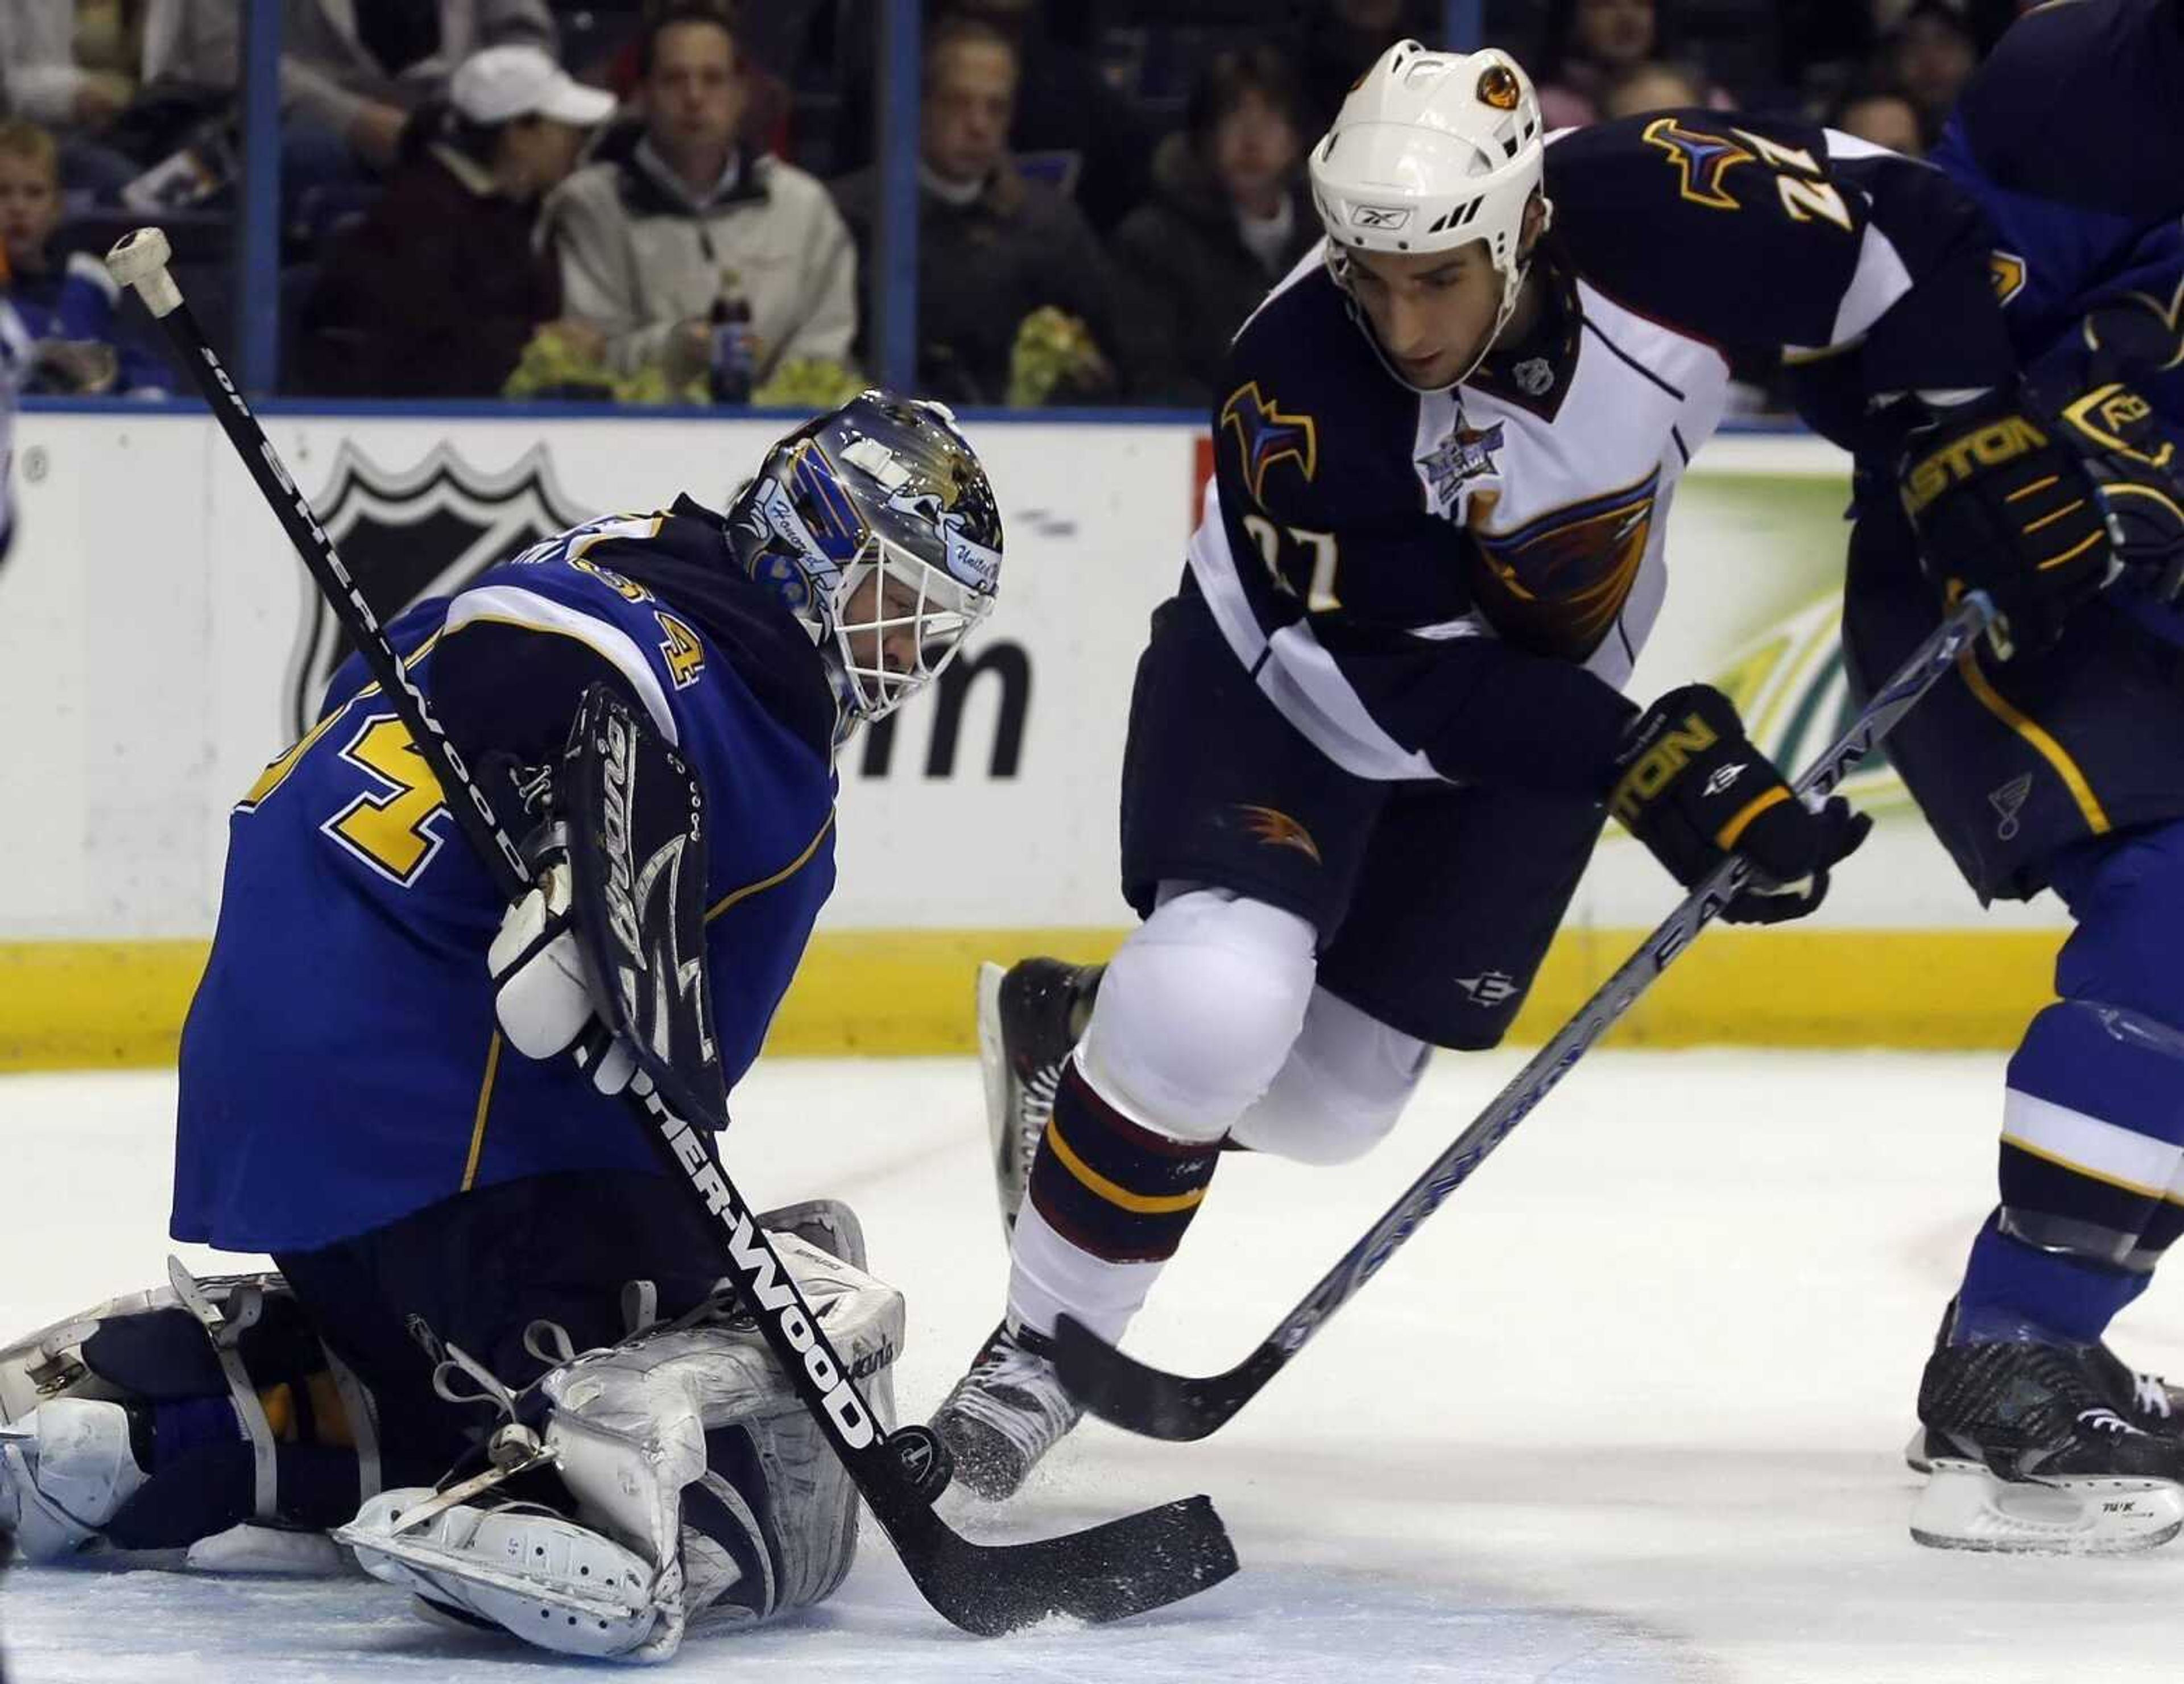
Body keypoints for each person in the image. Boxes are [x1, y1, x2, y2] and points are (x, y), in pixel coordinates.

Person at [929, 40, 2145, 1534]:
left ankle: (1076, 1047)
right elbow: (1413, 678)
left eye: (1437, 276)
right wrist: (1647, 766)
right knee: (1216, 1002)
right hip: (1289, 695)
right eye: (1371, 274)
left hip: (1543, 707)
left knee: (1329, 1108)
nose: (1400, 317)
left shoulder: (1669, 208)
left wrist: (1964, 426)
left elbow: (1915, 230)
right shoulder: (1299, 377)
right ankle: (1038, 1351)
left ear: (1523, 228)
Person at [0, 392, 1005, 1659]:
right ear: (814, 538)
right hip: (428, 1133)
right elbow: (677, 1086)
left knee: (412, 1378)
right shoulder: (776, 767)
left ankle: (165, 1418)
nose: (905, 657)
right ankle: (576, 1502)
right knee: (769, 1342)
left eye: (935, 633)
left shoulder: (606, 553)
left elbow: (510, 670)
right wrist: (575, 854)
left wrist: (571, 860)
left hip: (281, 1088)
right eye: (896, 603)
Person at [1850, 0, 2184, 1553]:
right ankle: (2022, 1353)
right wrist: (2028, 456)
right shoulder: (2084, 86)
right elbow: (1920, 353)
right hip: (2003, 577)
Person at [548, 3, 857, 401]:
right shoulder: (590, 205)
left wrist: (771, 411)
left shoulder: (804, 206)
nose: (694, 97)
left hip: (783, 445)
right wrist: (673, 349)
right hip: (635, 442)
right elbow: (586, 350)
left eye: (713, 79)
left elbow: (827, 345)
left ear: (742, 93)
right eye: (675, 79)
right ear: (641, 94)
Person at [829, 14, 1119, 407]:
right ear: (920, 105)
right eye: (959, 103)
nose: (979, 125)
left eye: (996, 108)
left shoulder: (1053, 228)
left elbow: (1104, 362)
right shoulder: (850, 216)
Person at [294, 43, 611, 397]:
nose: (578, 141)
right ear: (519, 133)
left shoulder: (524, 210)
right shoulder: (419, 216)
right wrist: (534, 345)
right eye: (565, 127)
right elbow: (418, 349)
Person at [1108, 45, 1317, 409]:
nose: (1251, 140)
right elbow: (1152, 378)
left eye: (1268, 118)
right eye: (1234, 117)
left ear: (1296, 138)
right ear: (1204, 138)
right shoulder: (1152, 244)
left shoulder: (1329, 239)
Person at [0, 119, 167, 395]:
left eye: (34, 193)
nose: (18, 207)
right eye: (2, 192)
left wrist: (117, 380)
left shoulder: (91, 285)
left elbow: (145, 374)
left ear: (56, 207)